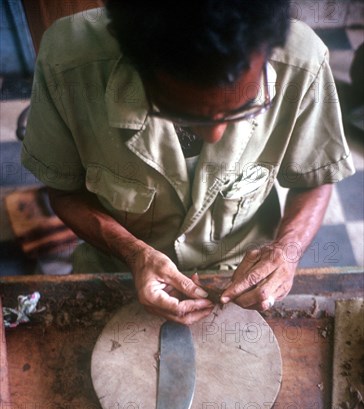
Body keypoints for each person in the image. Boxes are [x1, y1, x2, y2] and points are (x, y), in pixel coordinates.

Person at [22, 0, 355, 325]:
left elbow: (314, 178)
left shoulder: (302, 62)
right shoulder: (68, 65)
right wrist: (133, 253)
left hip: (241, 276)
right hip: (117, 267)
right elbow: (64, 191)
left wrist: (287, 250)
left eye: (242, 108)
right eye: (183, 113)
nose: (214, 135)